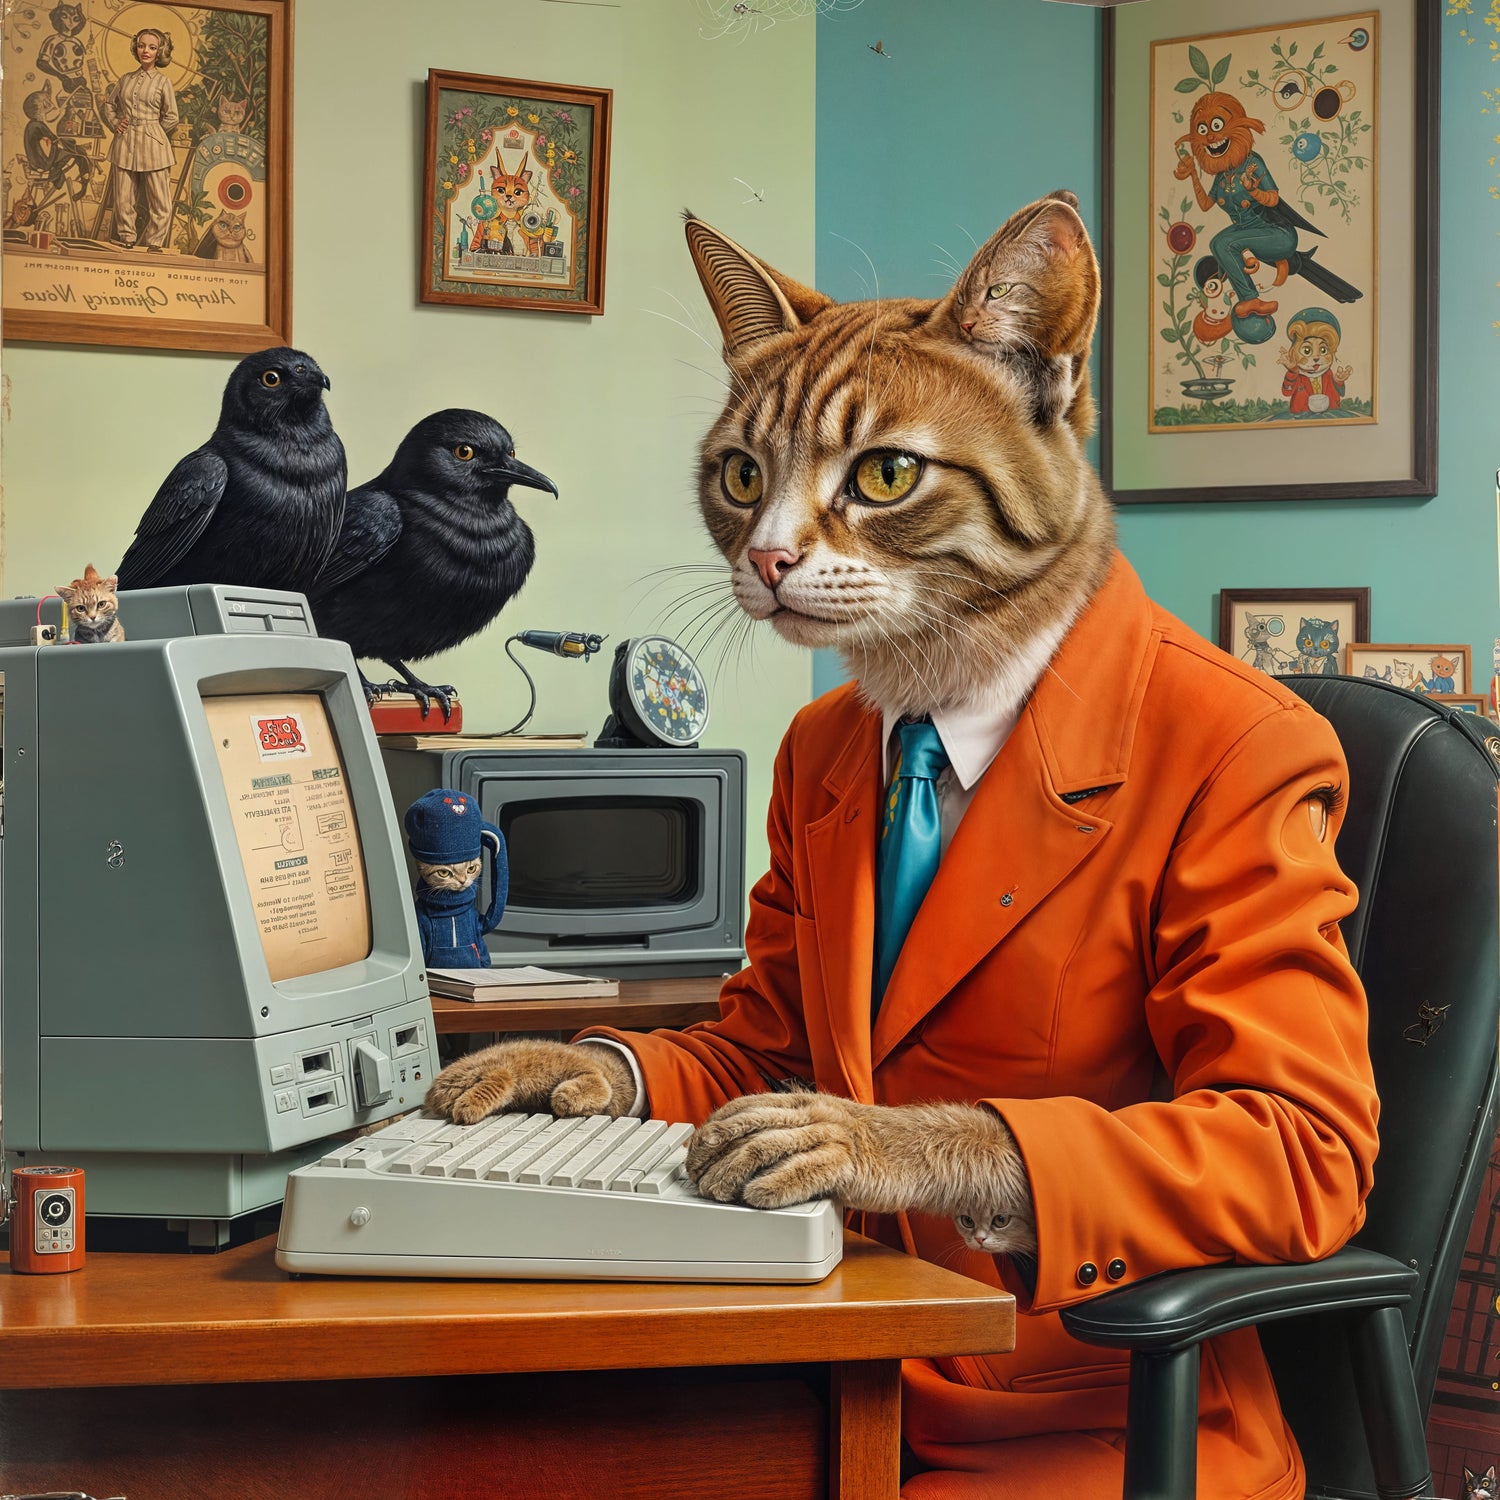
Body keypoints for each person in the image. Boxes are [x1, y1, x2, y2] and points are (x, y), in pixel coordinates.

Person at [424, 196, 1379, 1500]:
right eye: (748, 481)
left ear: (1043, 386)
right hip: (827, 1368)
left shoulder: (1233, 745)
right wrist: (606, 1073)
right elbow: (770, 1059)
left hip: (1081, 1426)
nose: (773, 551)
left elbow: (1299, 1154)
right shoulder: (827, 749)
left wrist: (927, 1152)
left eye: (879, 478)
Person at [105, 27, 178, 251]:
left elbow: (172, 117)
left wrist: (153, 133)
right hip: (125, 143)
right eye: (141, 46)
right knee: (123, 197)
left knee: (160, 199)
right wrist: (116, 122)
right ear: (136, 48)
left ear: (160, 52)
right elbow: (109, 104)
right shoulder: (125, 79)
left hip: (154, 146)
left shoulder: (163, 82)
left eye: (152, 47)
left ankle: (154, 243)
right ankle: (127, 237)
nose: (145, 51)